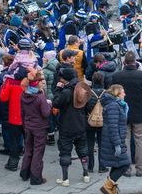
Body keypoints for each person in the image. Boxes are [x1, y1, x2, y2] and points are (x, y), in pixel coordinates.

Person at [112, 51, 142, 177]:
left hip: (122, 112)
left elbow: (111, 93)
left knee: (124, 140)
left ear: (124, 62)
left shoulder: (117, 76)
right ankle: (140, 169)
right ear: (135, 62)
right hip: (139, 112)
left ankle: (126, 168)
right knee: (140, 140)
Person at [52, 50, 92, 187]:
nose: (60, 79)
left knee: (65, 150)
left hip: (67, 126)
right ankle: (86, 174)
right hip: (80, 124)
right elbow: (88, 106)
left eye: (62, 78)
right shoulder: (81, 89)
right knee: (82, 149)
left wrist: (58, 89)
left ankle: (65, 178)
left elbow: (56, 102)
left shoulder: (66, 92)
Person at [20, 69, 52, 185]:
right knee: (38, 151)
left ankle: (24, 173)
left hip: (28, 125)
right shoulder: (40, 97)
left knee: (28, 149)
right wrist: (49, 105)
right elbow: (45, 114)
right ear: (36, 83)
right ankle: (36, 177)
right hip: (39, 127)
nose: (42, 83)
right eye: (40, 81)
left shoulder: (24, 95)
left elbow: (22, 112)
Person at [99, 84, 132, 194]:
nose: (125, 94)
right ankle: (107, 187)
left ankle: (111, 188)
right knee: (125, 164)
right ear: (117, 94)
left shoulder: (116, 105)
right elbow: (113, 127)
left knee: (117, 164)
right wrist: (117, 144)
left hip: (114, 140)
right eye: (123, 92)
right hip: (113, 141)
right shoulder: (114, 106)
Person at [85, 71, 108, 174]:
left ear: (93, 80)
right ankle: (102, 166)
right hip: (103, 122)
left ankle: (90, 166)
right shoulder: (106, 93)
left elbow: (84, 107)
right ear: (103, 80)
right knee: (102, 144)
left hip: (90, 121)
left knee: (89, 144)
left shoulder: (88, 93)